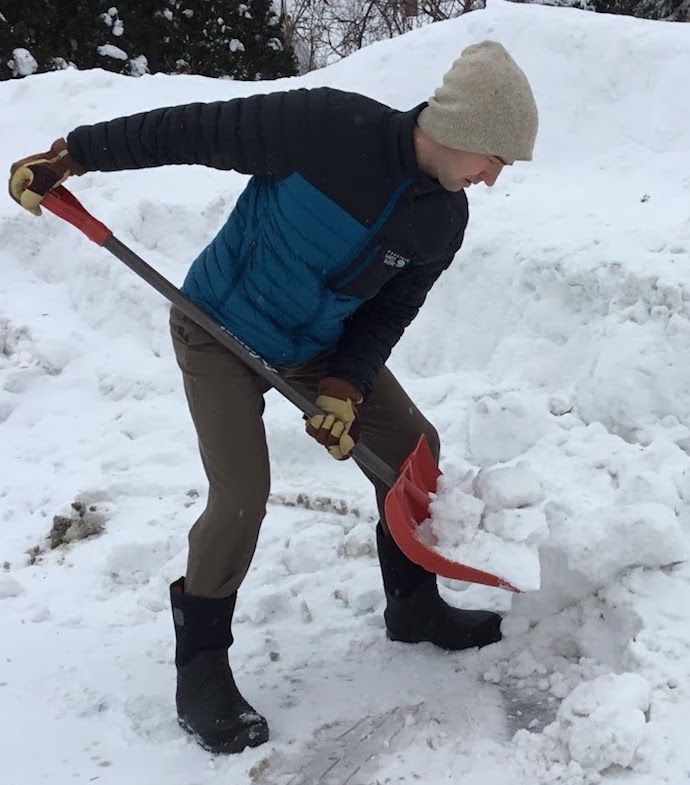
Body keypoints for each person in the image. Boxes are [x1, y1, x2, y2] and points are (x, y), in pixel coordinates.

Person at [9, 40, 538, 754]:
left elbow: (388, 311)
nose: (494, 179)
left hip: (320, 343)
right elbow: (193, 129)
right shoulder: (327, 128)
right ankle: (200, 663)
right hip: (219, 325)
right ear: (465, 129)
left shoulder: (443, 219)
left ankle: (413, 605)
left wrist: (347, 387)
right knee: (240, 494)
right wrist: (75, 153)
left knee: (415, 447)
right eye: (496, 159)